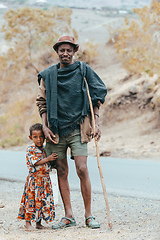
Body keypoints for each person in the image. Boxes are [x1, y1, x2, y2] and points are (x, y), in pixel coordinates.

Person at [36, 35, 107, 229]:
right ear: (57, 52)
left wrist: (96, 122)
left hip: (78, 127)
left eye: (69, 50)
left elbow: (98, 93)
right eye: (62, 50)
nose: (65, 53)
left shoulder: (83, 70)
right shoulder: (48, 75)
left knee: (82, 169)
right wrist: (44, 126)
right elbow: (41, 102)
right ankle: (68, 215)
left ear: (74, 51)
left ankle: (89, 215)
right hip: (55, 131)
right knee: (61, 170)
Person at [17, 123, 58, 231]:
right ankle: (28, 224)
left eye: (41, 137)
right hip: (34, 181)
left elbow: (49, 164)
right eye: (35, 137)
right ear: (31, 137)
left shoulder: (45, 149)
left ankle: (38, 223)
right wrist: (48, 159)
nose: (39, 139)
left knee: (42, 201)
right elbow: (35, 162)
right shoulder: (30, 149)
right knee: (31, 201)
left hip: (45, 181)